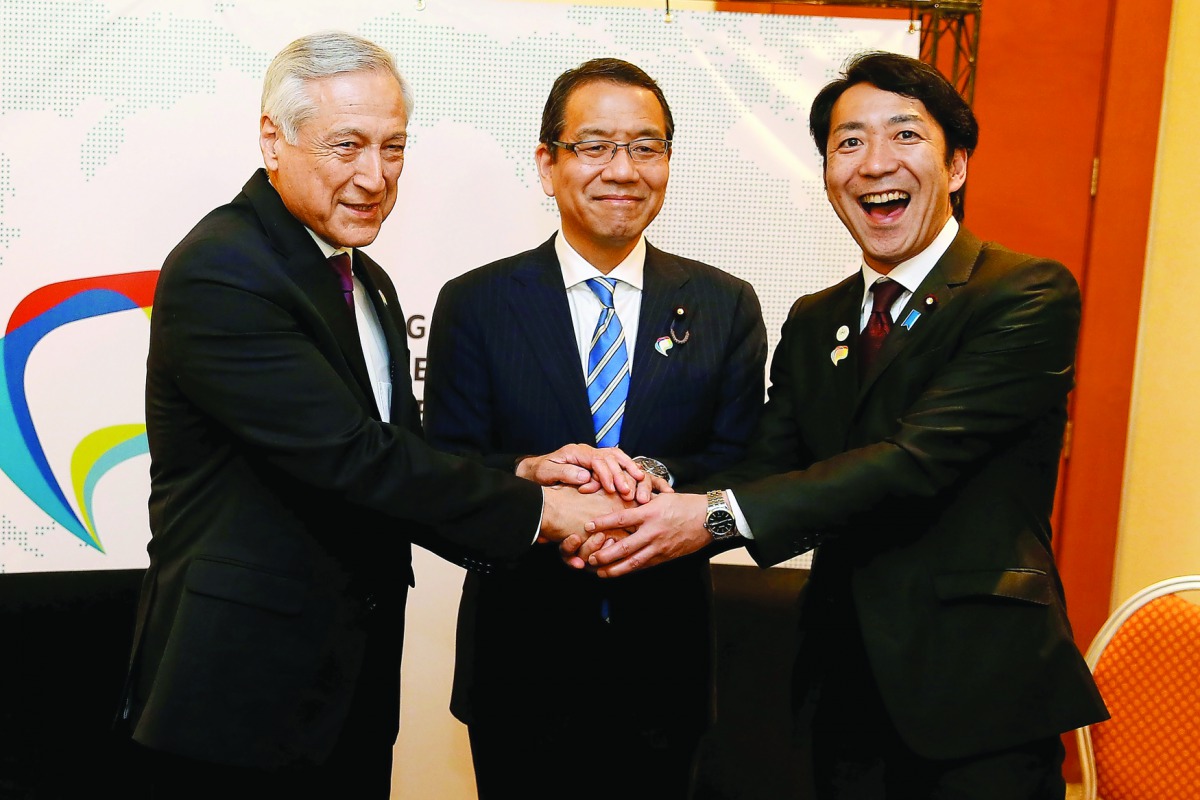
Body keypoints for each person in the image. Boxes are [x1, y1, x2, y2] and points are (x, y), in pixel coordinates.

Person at [577, 51, 1109, 799]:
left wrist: (709, 518)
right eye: (849, 142)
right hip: (841, 695)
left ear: (956, 165)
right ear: (827, 174)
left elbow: (912, 461)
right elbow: (768, 465)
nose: (874, 163)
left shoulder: (1022, 294)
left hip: (979, 702)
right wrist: (650, 494)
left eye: (905, 136)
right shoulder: (816, 318)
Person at [116, 32, 626, 800]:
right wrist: (543, 510)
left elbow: (397, 449)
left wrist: (518, 469)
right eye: (346, 145)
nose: (374, 176)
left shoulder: (363, 276)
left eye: (394, 148)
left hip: (344, 688)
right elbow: (352, 458)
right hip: (236, 699)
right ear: (273, 139)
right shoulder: (226, 268)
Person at [422, 58, 767, 799]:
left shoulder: (724, 304)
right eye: (595, 146)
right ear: (548, 163)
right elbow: (445, 469)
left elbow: (748, 464)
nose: (623, 170)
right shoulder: (476, 304)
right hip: (518, 662)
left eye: (646, 147)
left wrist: (657, 486)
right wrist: (537, 482)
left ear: (669, 162)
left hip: (665, 668)